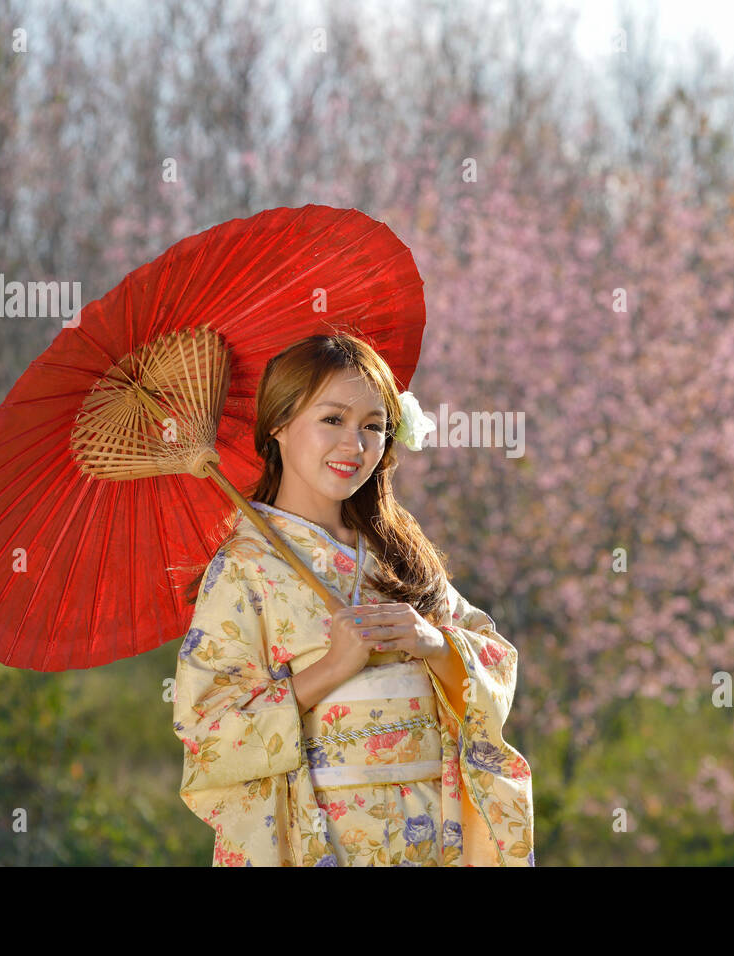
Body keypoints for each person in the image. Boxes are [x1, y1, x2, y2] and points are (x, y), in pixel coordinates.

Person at [171, 332, 534, 866]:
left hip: (432, 825)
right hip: (327, 828)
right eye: (332, 420)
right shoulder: (245, 566)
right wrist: (333, 668)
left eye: (373, 426)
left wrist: (435, 644)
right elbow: (209, 733)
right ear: (279, 424)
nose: (355, 445)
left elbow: (495, 658)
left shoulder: (397, 548)